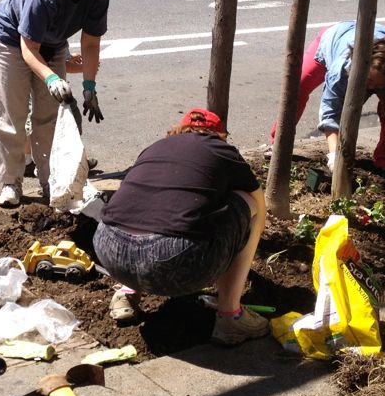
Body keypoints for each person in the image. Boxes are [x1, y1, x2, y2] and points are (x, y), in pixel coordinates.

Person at [93, 108, 268, 346]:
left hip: (108, 248)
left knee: (150, 205)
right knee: (248, 202)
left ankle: (126, 293)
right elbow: (259, 201)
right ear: (219, 135)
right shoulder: (221, 150)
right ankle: (231, 316)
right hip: (172, 259)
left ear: (178, 130)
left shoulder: (155, 148)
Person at [0, 0, 124, 208]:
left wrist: (89, 88)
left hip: (52, 42)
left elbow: (90, 42)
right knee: (11, 114)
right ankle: (10, 182)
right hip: (12, 40)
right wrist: (51, 77)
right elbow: (28, 49)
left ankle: (50, 181)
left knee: (49, 118)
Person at [269, 20, 385, 173]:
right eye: (368, 81)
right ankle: (279, 145)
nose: (371, 88)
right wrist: (334, 155)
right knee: (298, 88)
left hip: (383, 50)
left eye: (378, 85)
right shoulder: (341, 71)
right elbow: (331, 114)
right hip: (335, 38)